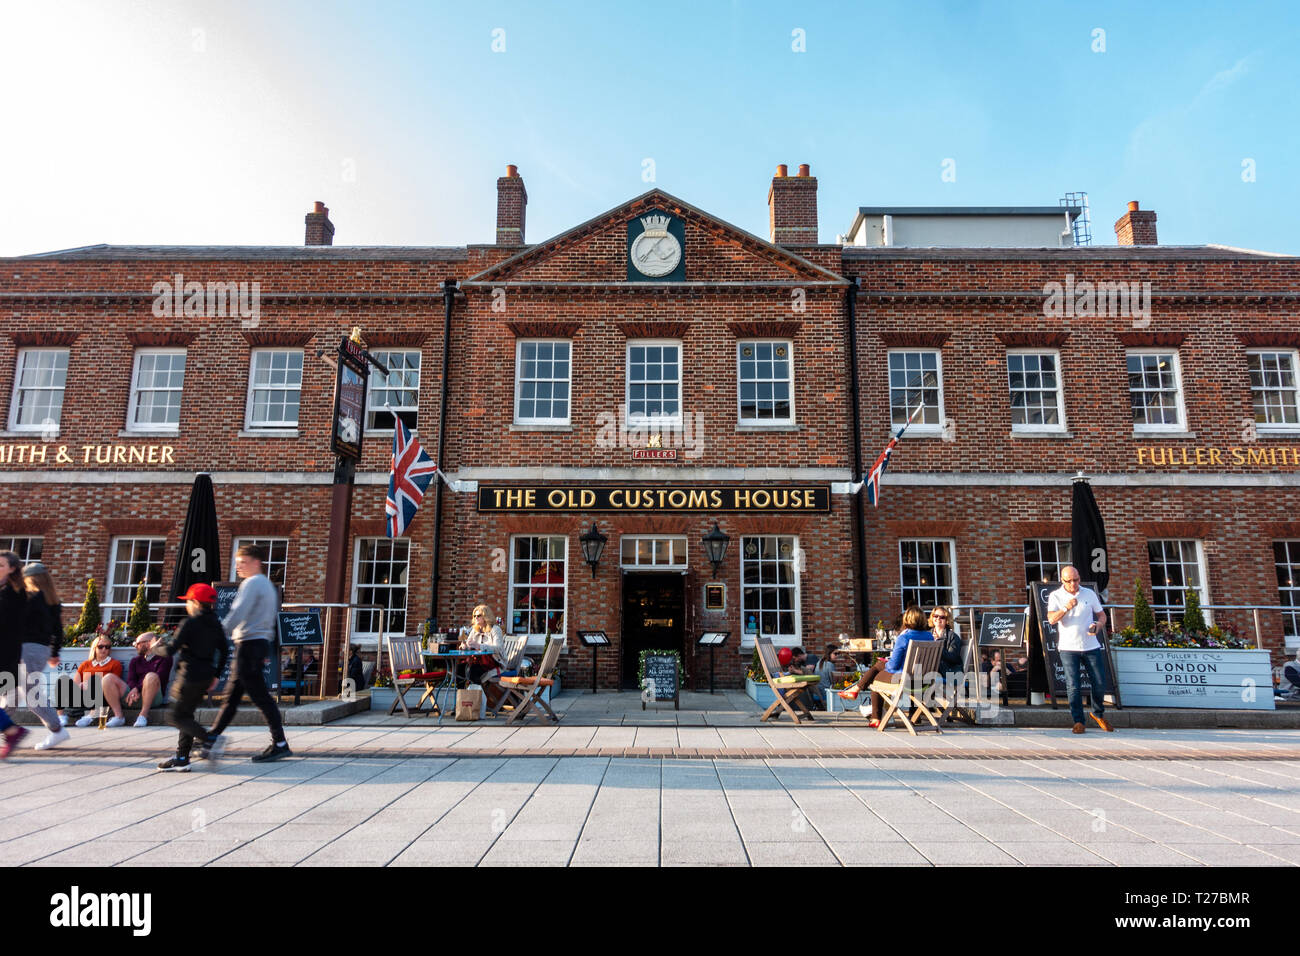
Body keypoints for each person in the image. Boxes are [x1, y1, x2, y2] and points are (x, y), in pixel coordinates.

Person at [205, 544, 291, 762]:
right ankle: (211, 737)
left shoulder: (252, 583)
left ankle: (280, 743)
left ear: (256, 563)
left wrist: (218, 632)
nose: (238, 567)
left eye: (242, 562)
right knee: (233, 696)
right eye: (237, 563)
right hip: (257, 643)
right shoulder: (268, 586)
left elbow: (238, 612)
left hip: (249, 644)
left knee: (259, 697)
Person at [154, 583, 229, 772]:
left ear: (195, 602)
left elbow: (171, 650)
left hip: (188, 676)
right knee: (186, 716)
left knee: (174, 717)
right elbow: (225, 650)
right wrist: (216, 675)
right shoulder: (216, 623)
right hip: (205, 676)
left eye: (188, 601)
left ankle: (211, 739)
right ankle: (181, 757)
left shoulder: (189, 623)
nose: (187, 605)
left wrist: (154, 647)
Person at [838, 606, 934, 727]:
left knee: (876, 676)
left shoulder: (903, 638)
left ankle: (875, 717)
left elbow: (893, 666)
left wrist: (886, 663)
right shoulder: (930, 637)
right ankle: (914, 717)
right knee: (880, 665)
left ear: (907, 620)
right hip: (923, 680)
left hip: (904, 679)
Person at [1047, 564, 1112, 734]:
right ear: (1062, 580)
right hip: (1068, 647)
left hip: (1091, 646)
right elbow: (1052, 619)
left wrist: (1098, 625)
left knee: (1099, 683)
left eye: (1076, 580)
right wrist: (1066, 607)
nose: (1073, 584)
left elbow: (1102, 615)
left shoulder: (1089, 593)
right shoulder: (1056, 596)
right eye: (1069, 581)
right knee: (1073, 686)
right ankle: (1078, 721)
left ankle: (1098, 713)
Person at [18, 562, 69, 749]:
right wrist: (54, 653)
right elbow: (58, 630)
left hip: (27, 649)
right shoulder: (52, 601)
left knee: (31, 695)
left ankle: (57, 730)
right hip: (41, 649)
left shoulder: (29, 598)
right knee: (14, 692)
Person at [70, 636, 127, 727]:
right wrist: (82, 685)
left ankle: (92, 715)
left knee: (94, 680)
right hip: (85, 695)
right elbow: (76, 684)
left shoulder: (114, 664)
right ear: (94, 648)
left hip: (103, 696)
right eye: (100, 647)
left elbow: (112, 685)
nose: (104, 649)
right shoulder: (85, 664)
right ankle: (61, 718)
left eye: (107, 647)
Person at [124, 631, 172, 727]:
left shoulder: (164, 658)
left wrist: (136, 688)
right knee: (107, 678)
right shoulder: (135, 661)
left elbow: (160, 677)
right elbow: (130, 679)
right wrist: (134, 689)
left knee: (151, 676)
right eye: (100, 647)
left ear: (149, 643)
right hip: (134, 696)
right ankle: (118, 717)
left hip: (154, 696)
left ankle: (143, 715)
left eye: (137, 643)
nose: (135, 646)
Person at [460, 605, 504, 707]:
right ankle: (462, 704)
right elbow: (469, 645)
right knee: (460, 670)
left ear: (486, 616)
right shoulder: (474, 630)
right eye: (474, 616)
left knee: (473, 671)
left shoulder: (495, 630)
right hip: (477, 662)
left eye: (478, 615)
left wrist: (479, 646)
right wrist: (465, 647)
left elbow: (498, 648)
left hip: (493, 662)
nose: (476, 618)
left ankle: (475, 706)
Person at [0, 551, 26, 708]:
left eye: (1, 565)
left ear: (12, 568)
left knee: (12, 693)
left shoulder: (15, 592)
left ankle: (8, 728)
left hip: (9, 649)